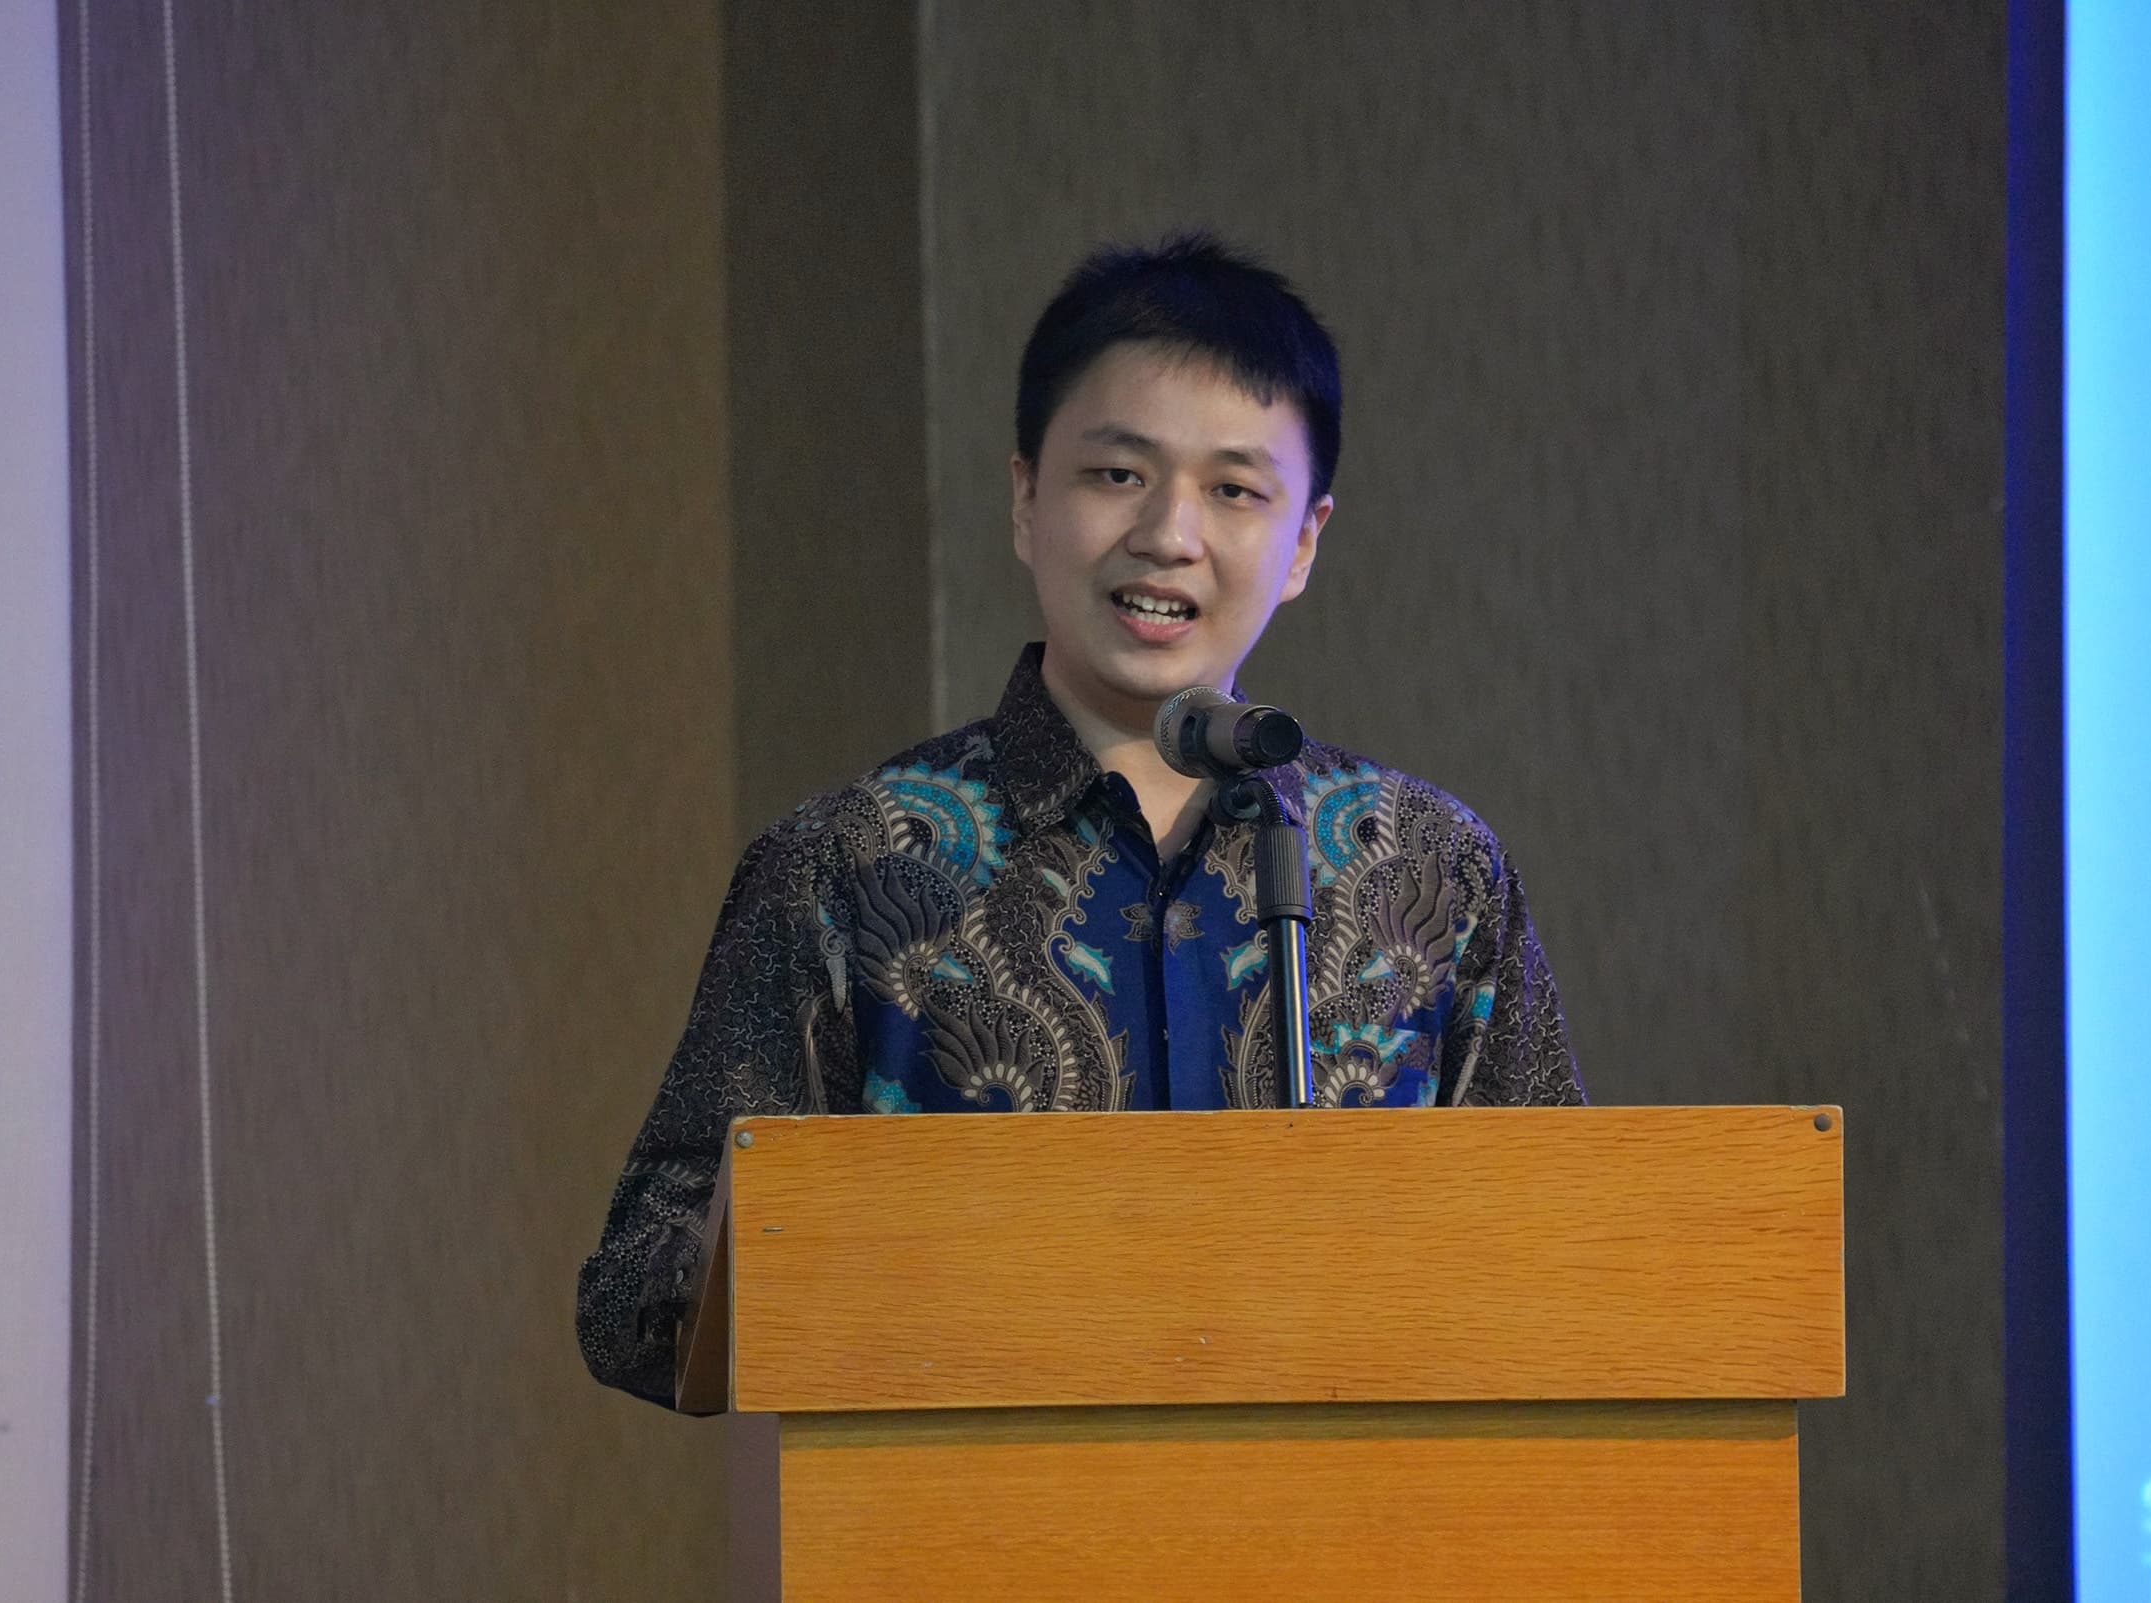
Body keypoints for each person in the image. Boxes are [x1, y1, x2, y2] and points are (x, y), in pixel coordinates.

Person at [577, 232, 1585, 1407]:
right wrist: (907, 1260)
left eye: (1234, 489)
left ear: (1304, 540)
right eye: (1117, 474)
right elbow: (635, 1301)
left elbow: (1563, 1249)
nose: (1169, 533)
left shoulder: (1426, 867)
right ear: (1024, 498)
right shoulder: (848, 864)